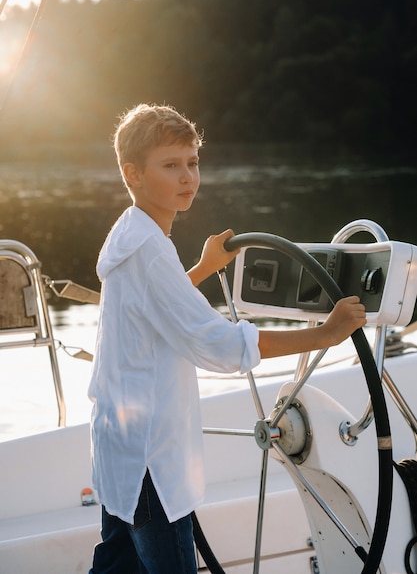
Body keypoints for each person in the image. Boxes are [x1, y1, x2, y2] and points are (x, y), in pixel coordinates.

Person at [88, 103, 366, 574]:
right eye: (170, 165)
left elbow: (157, 309)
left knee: (115, 566)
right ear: (132, 175)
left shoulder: (132, 235)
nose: (187, 177)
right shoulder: (151, 251)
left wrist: (202, 269)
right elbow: (218, 344)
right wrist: (328, 333)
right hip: (150, 460)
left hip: (120, 444)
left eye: (192, 162)